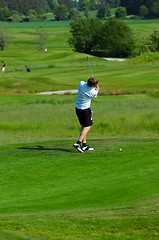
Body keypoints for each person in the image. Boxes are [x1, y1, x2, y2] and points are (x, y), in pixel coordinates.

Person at [73, 77, 99, 153]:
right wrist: (97, 87)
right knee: (88, 126)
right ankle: (78, 143)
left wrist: (93, 83)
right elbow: (96, 92)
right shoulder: (92, 92)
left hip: (78, 108)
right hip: (85, 110)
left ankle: (84, 145)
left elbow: (84, 82)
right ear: (93, 85)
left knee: (83, 126)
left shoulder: (81, 84)